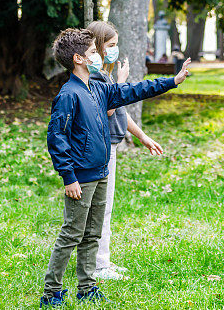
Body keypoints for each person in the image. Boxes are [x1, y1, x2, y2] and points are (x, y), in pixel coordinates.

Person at [41, 28, 191, 307]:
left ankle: (87, 286)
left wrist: (173, 81)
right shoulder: (69, 94)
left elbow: (133, 91)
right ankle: (52, 292)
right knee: (72, 233)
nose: (98, 55)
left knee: (92, 234)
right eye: (93, 53)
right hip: (81, 178)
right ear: (78, 59)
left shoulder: (98, 88)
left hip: (101, 172)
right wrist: (68, 177)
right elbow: (56, 137)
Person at [86, 21, 164, 281]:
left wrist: (142, 136)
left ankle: (102, 261)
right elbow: (106, 109)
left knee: (105, 206)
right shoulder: (94, 75)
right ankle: (97, 266)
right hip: (101, 146)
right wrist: (120, 83)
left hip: (112, 145)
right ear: (97, 45)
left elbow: (119, 110)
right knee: (101, 206)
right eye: (110, 45)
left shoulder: (104, 75)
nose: (114, 50)